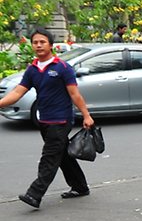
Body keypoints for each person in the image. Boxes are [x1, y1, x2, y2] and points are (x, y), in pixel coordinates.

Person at [0, 27, 94, 209]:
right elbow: (19, 92)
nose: (38, 45)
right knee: (63, 155)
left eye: (42, 42)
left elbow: (75, 94)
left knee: (49, 157)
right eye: (35, 42)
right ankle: (80, 187)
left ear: (50, 45)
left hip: (60, 121)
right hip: (44, 120)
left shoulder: (63, 68)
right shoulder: (32, 70)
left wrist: (86, 115)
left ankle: (35, 194)